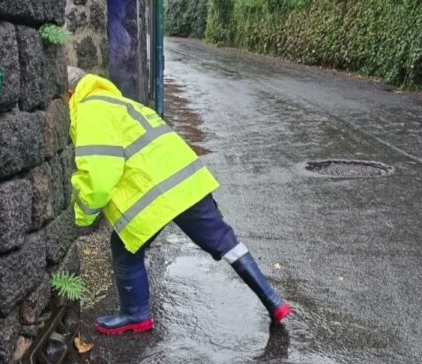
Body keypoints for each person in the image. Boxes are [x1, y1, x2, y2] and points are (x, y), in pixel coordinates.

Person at [65, 67, 292, 334]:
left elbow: (100, 173)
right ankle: (273, 300)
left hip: (157, 191)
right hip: (187, 179)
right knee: (224, 240)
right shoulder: (118, 102)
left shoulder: (91, 109)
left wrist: (81, 215)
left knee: (125, 250)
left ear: (70, 93)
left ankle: (135, 314)